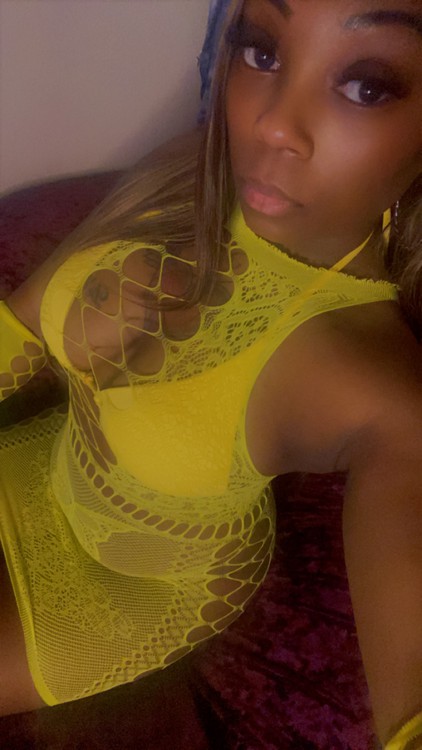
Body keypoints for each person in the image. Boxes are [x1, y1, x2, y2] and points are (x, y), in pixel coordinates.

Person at [0, 0, 421, 747]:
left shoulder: (373, 384)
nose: (272, 125)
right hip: (37, 470)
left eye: (367, 86)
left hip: (135, 591)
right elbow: (22, 324)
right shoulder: (190, 170)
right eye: (263, 51)